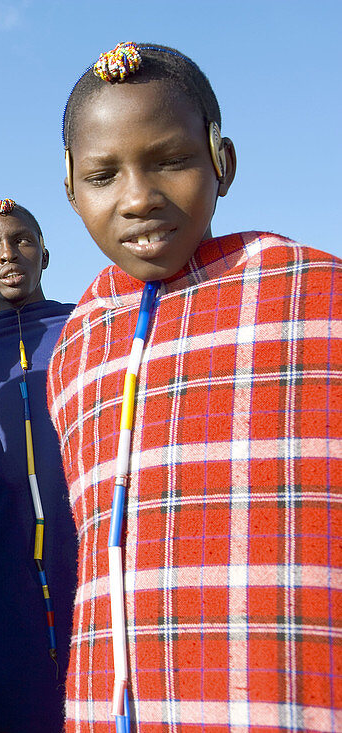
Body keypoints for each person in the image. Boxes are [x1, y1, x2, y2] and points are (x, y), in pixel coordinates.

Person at [49, 41, 342, 731]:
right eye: (102, 175)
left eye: (171, 161)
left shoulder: (317, 295)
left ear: (223, 161)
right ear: (69, 187)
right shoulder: (76, 347)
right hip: (104, 709)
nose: (138, 198)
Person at [0, 199, 77, 733]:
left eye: (22, 240)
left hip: (89, 555)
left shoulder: (92, 334)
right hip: (3, 574)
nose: (9, 255)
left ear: (45, 253)